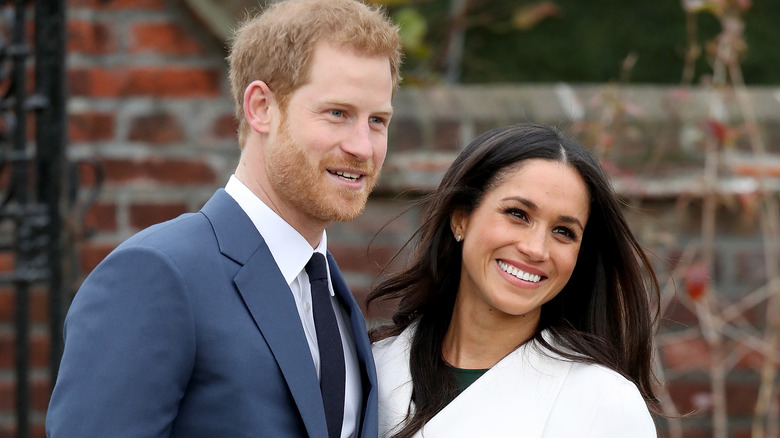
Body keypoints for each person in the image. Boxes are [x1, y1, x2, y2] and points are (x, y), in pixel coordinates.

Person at [46, 0, 401, 437]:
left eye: (378, 120)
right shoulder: (156, 274)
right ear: (261, 108)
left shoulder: (332, 295)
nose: (363, 147)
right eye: (338, 114)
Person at [368, 123, 661, 437]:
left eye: (564, 232)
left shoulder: (604, 404)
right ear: (461, 218)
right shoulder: (371, 367)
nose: (535, 249)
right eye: (518, 214)